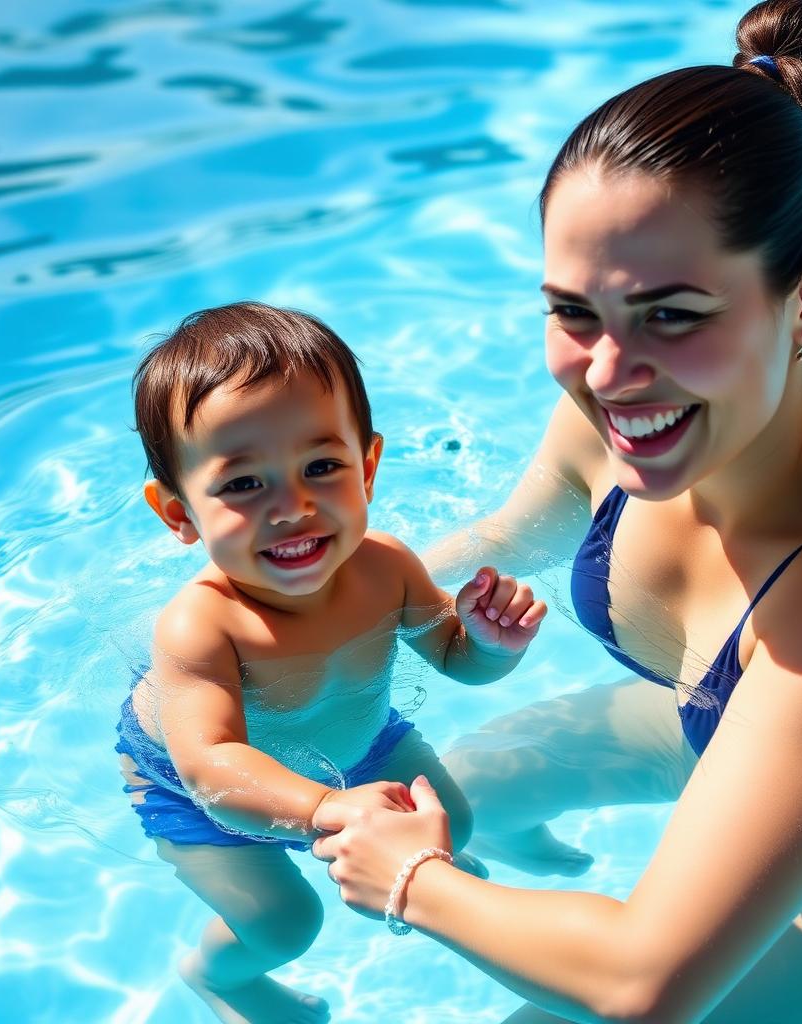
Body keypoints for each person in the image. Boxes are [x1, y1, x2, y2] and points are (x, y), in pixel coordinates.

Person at [310, 2, 802, 1021]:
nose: (610, 374)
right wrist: (320, 612)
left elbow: (643, 985)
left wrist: (415, 882)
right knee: (443, 787)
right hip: (719, 726)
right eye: (574, 311)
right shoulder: (633, 414)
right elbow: (508, 535)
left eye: (673, 313)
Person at [114, 301, 547, 1024]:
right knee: (285, 924)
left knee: (455, 824)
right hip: (199, 792)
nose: (293, 506)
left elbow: (453, 658)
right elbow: (210, 761)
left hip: (361, 737)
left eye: (321, 466)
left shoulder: (387, 567)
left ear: (368, 468)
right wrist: (324, 808)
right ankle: (218, 978)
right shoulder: (201, 624)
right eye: (243, 484)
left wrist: (492, 647)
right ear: (179, 514)